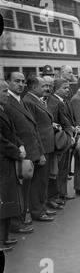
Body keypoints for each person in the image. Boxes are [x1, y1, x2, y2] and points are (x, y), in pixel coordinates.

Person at [3, 72, 43, 232]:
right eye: (16, 81)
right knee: (16, 192)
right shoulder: (7, 101)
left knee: (25, 190)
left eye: (23, 81)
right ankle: (15, 223)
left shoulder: (21, 100)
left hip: (28, 152)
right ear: (8, 82)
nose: (21, 84)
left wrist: (38, 151)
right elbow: (9, 131)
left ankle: (21, 217)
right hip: (18, 153)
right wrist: (18, 148)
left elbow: (32, 127)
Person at [22, 76, 56, 221]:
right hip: (40, 147)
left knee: (43, 180)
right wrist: (40, 152)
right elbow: (32, 129)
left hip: (47, 146)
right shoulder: (29, 101)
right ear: (34, 87)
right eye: (43, 86)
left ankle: (41, 207)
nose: (46, 89)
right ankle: (37, 211)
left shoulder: (35, 100)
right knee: (38, 181)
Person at [0, 90, 25, 251]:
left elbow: (11, 134)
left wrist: (20, 144)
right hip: (3, 161)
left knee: (8, 199)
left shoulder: (3, 109)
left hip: (7, 161)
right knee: (2, 200)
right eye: (3, 91)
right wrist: (17, 151)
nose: (6, 94)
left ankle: (4, 236)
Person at [46, 78, 76, 206]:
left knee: (63, 169)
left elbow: (67, 122)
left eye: (68, 87)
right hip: (59, 142)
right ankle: (58, 194)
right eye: (65, 87)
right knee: (58, 170)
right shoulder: (56, 102)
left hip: (63, 140)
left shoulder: (63, 101)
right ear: (56, 89)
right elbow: (63, 122)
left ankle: (61, 193)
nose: (68, 90)